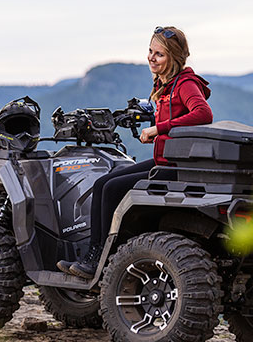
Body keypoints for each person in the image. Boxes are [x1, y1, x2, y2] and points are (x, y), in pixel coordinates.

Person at [58, 26, 212, 279]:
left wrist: (157, 129)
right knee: (103, 183)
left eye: (159, 54)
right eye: (150, 51)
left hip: (176, 167)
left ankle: (99, 261)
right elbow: (177, 116)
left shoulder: (185, 83)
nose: (152, 58)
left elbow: (203, 113)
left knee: (111, 189)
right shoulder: (166, 84)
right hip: (165, 160)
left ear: (173, 57)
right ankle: (92, 256)